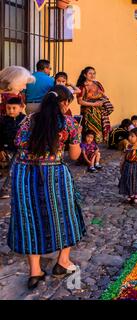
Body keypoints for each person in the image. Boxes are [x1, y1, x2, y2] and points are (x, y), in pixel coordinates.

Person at [8, 85, 86, 290]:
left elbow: (17, 142)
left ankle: (35, 272)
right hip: (53, 174)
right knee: (67, 214)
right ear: (65, 103)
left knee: (28, 217)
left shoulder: (28, 120)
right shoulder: (68, 122)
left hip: (24, 174)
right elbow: (76, 156)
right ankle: (63, 262)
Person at [76, 66, 114, 143]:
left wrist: (105, 100)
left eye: (94, 73)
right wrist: (94, 104)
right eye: (90, 73)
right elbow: (80, 101)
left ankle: (96, 145)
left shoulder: (97, 84)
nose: (92, 75)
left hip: (99, 111)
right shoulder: (82, 86)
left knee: (99, 132)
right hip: (89, 113)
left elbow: (103, 94)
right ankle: (88, 146)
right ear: (85, 75)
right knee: (90, 131)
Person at [0, 96, 26, 199]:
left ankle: (4, 189)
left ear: (20, 108)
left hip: (21, 149)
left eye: (14, 108)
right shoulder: (3, 121)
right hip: (7, 149)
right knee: (12, 169)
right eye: (8, 108)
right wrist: (1, 148)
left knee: (13, 168)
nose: (11, 111)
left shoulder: (25, 120)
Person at [119, 128, 137, 205]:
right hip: (127, 165)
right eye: (129, 136)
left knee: (136, 180)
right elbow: (124, 156)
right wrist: (121, 165)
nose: (129, 137)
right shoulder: (128, 146)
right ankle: (130, 194)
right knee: (128, 179)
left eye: (132, 136)